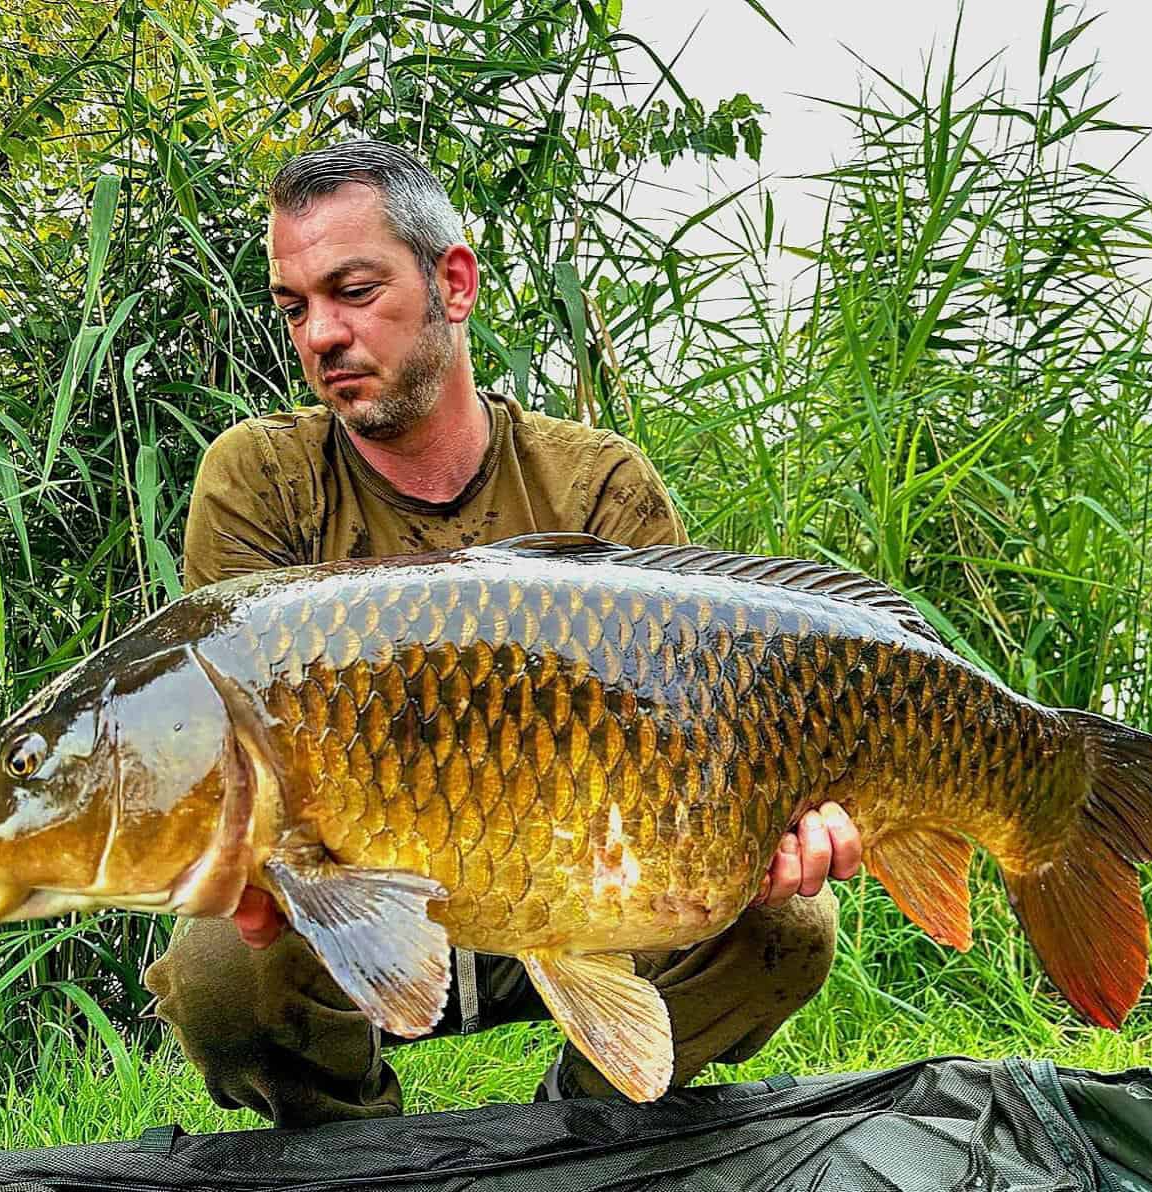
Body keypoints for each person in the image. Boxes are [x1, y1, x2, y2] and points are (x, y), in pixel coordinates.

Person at [143, 139, 863, 1128]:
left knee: (791, 921)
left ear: (455, 283)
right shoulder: (258, 482)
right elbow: (238, 774)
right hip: (362, 910)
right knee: (221, 966)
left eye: (353, 290)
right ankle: (360, 1158)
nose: (321, 333)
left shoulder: (599, 483)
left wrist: (768, 824)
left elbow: (703, 727)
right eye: (295, 305)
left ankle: (578, 1135)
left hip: (586, 886)